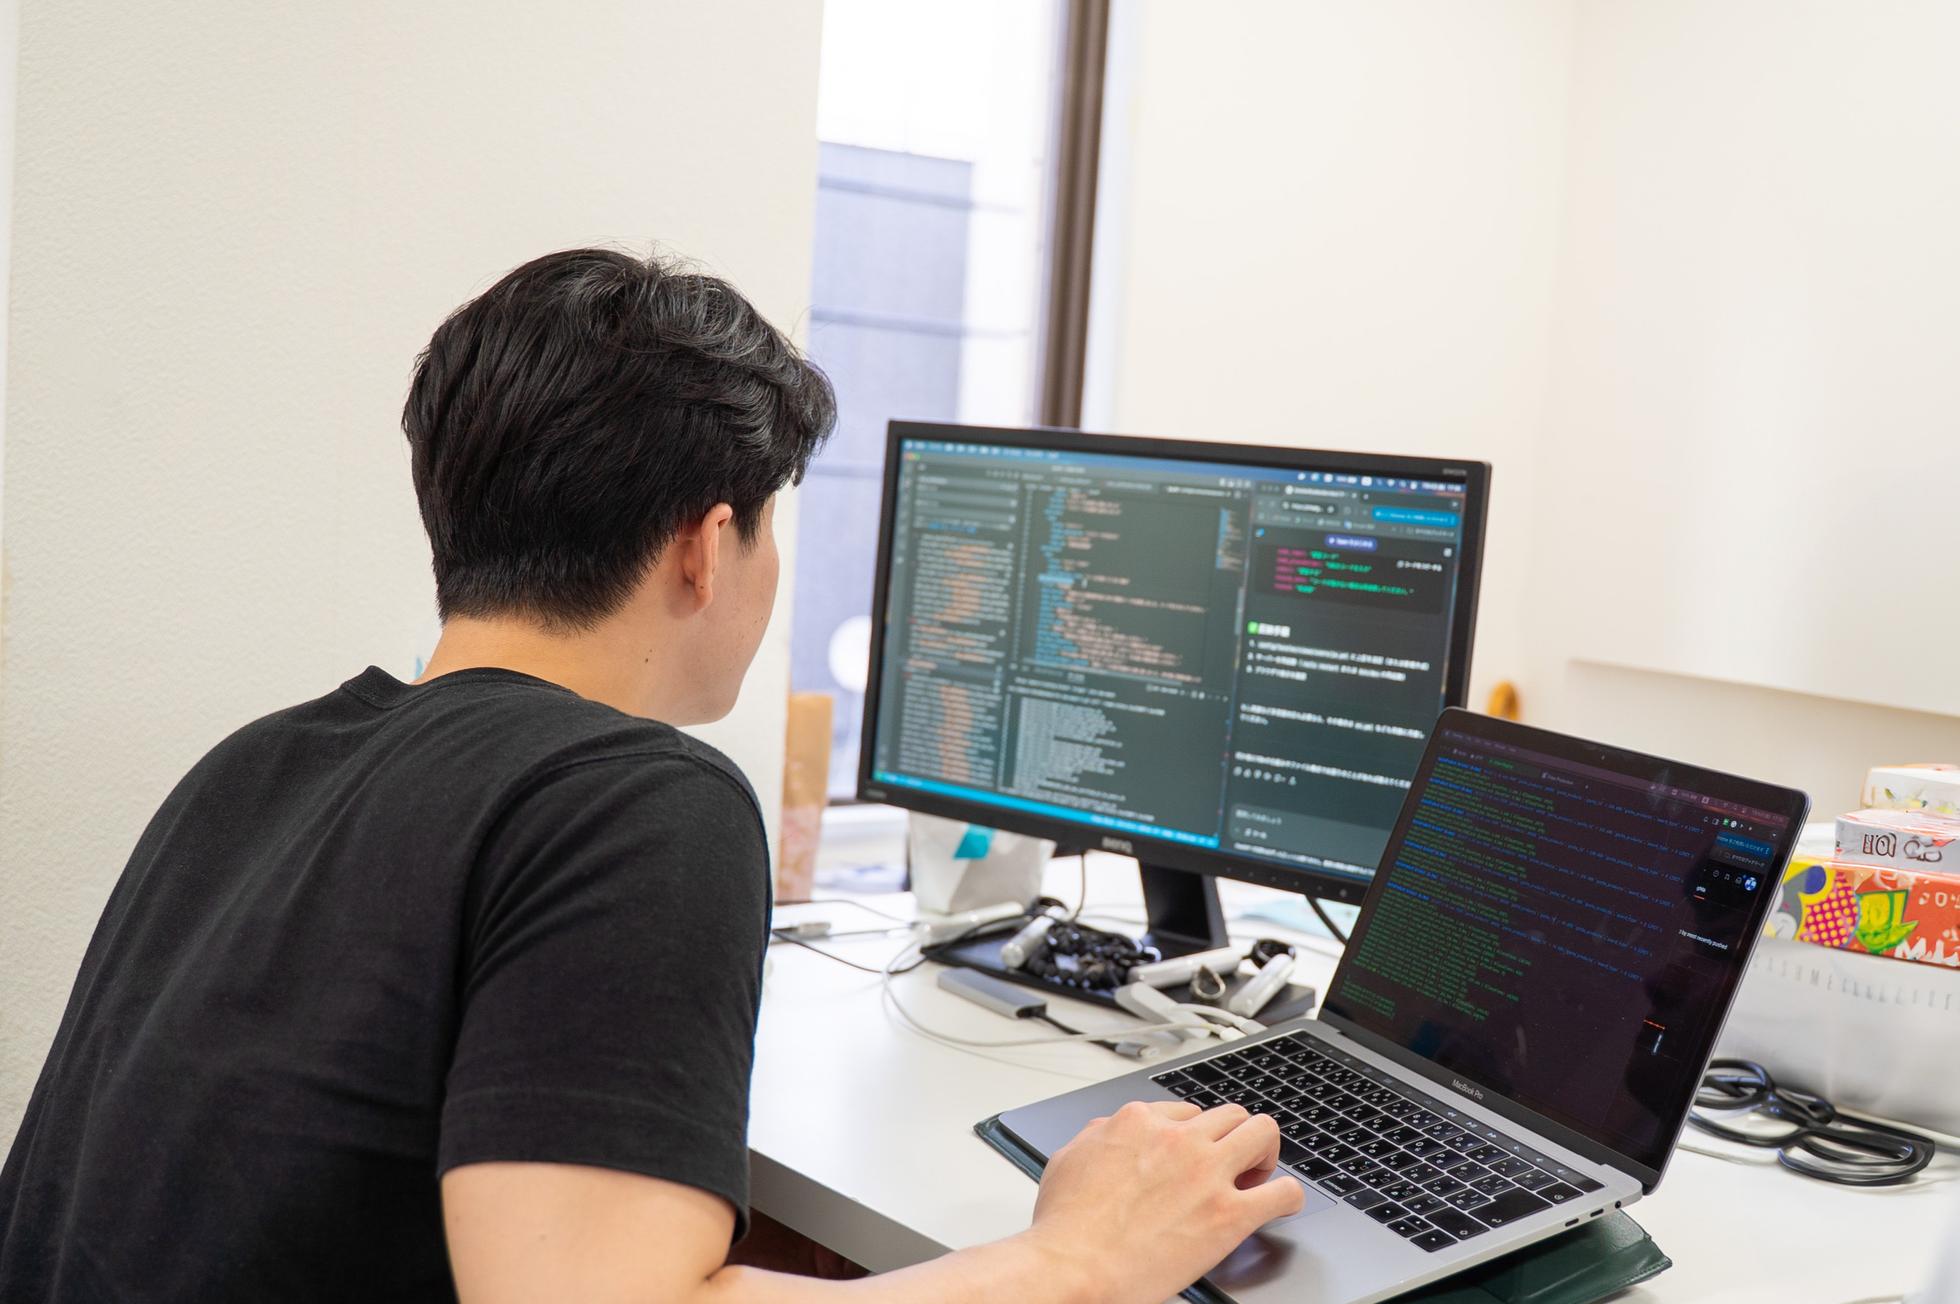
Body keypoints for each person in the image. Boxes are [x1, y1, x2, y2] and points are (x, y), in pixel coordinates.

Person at [0, 248, 1302, 1302]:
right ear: (704, 546)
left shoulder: (262, 762)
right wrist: (1077, 1260)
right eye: (769, 528)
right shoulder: (634, 806)